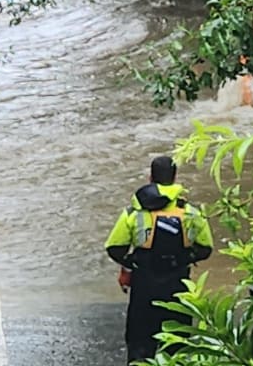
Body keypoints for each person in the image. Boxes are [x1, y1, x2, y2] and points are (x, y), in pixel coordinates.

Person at [105, 156, 213, 364]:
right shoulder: (190, 212)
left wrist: (129, 264)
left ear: (150, 177)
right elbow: (205, 248)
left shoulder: (135, 212)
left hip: (144, 285)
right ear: (175, 178)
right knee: (178, 343)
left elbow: (114, 248)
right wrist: (186, 257)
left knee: (139, 342)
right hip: (178, 285)